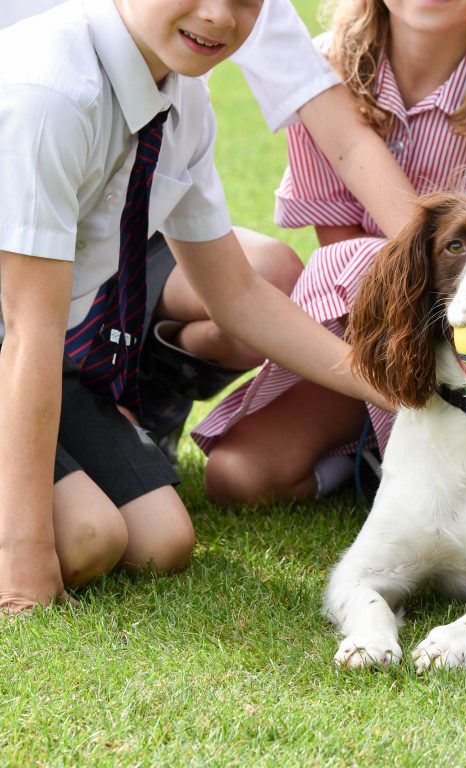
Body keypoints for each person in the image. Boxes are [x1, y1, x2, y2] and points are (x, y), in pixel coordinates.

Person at [0, 0, 391, 614]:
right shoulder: (52, 93)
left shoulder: (180, 99)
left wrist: (391, 386)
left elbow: (236, 295)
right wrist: (21, 570)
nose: (219, 17)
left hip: (44, 354)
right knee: (83, 541)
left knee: (163, 540)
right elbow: (29, 331)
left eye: (244, 0)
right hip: (24, 344)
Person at [192, 0, 466, 505]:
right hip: (363, 335)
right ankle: (368, 465)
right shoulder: (321, 72)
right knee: (236, 476)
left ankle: (398, 455)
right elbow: (342, 248)